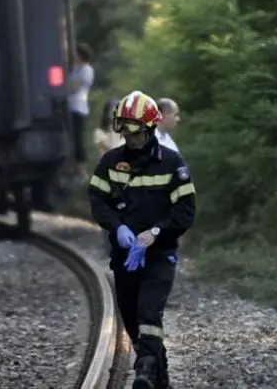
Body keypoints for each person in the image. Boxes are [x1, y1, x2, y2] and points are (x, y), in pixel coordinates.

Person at [88, 90, 196, 389]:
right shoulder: (110, 163)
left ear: (149, 130)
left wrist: (156, 233)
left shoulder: (172, 164)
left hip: (160, 254)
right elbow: (98, 200)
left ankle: (145, 370)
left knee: (149, 311)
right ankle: (160, 380)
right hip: (125, 257)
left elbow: (185, 210)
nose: (130, 140)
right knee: (133, 319)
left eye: (135, 133)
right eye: (125, 133)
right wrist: (117, 227)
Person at [68, 43, 95, 183]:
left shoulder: (86, 70)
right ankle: (74, 170)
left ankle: (82, 171)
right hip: (70, 106)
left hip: (79, 107)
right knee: (72, 139)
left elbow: (74, 86)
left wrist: (67, 85)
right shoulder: (75, 69)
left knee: (79, 139)